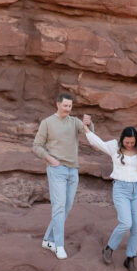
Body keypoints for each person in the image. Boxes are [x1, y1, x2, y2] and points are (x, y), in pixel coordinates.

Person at [82, 120, 137, 271]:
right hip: (121, 189)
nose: (129, 144)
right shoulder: (113, 146)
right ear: (122, 139)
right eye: (127, 141)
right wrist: (86, 128)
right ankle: (109, 249)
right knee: (126, 222)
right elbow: (98, 143)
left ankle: (130, 259)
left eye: (132, 142)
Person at [32, 92, 93, 260]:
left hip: (73, 170)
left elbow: (88, 133)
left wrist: (89, 123)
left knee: (66, 207)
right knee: (58, 207)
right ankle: (59, 245)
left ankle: (47, 239)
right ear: (57, 104)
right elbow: (36, 146)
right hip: (57, 169)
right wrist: (50, 159)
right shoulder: (47, 123)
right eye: (65, 106)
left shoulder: (74, 122)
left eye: (70, 106)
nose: (68, 109)